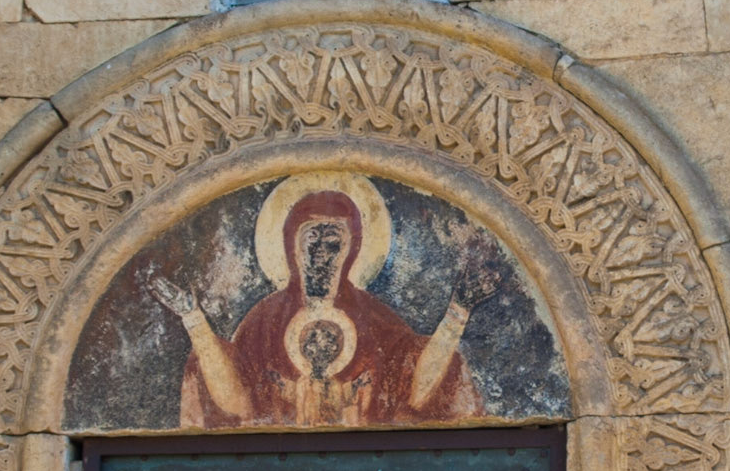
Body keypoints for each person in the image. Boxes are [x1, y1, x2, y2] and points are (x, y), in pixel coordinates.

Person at [149, 172, 495, 428]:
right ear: (292, 246)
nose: (322, 252)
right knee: (204, 357)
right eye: (312, 238)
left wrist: (457, 312)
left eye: (334, 241)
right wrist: (192, 317)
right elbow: (236, 402)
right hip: (272, 468)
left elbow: (417, 389)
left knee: (447, 356)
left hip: (368, 469)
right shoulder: (265, 321)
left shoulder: (374, 319)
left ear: (351, 249)